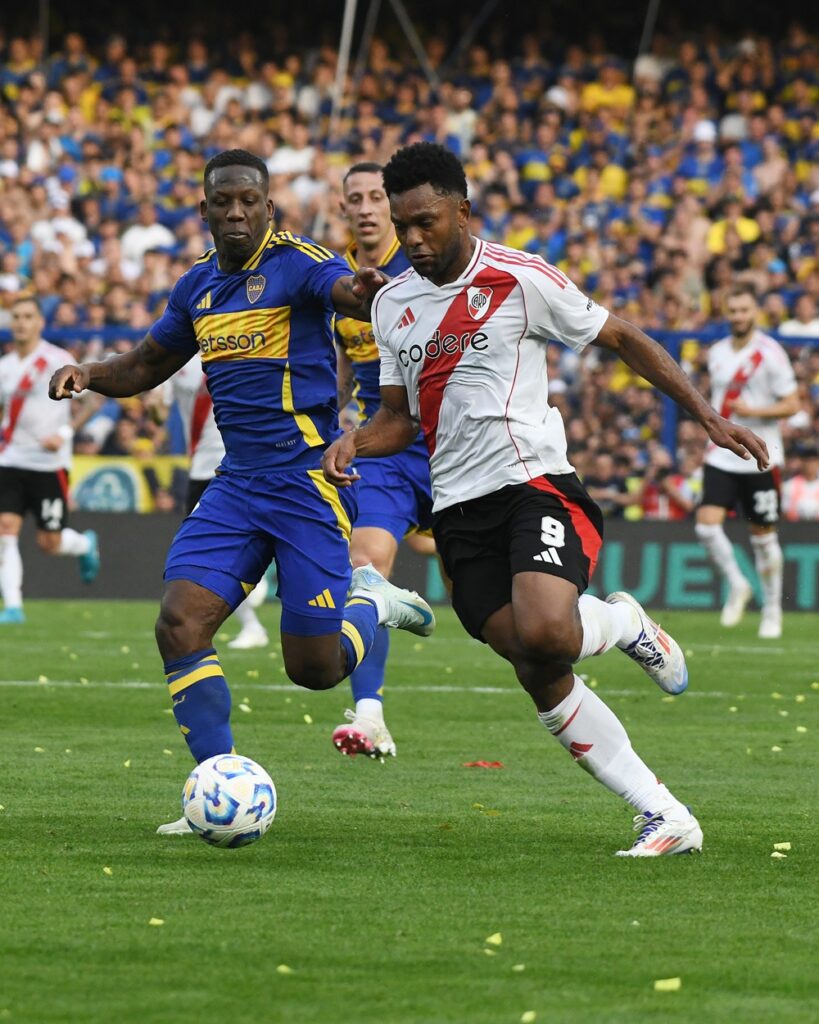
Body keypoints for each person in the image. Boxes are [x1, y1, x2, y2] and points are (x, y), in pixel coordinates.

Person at [322, 142, 768, 857]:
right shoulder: (394, 304)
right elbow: (398, 419)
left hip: (533, 485)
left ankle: (623, 624)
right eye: (403, 226)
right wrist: (353, 442)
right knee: (532, 662)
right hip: (456, 508)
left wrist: (705, 416)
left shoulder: (518, 277)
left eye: (425, 222)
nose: (411, 239)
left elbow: (621, 336)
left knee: (550, 630)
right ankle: (664, 815)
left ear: (461, 211)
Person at [49, 149, 435, 835]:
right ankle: (213, 787)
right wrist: (87, 373)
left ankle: (370, 602)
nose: (235, 212)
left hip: (306, 483)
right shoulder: (197, 288)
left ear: (267, 209)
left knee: (314, 671)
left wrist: (368, 288)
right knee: (179, 623)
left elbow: (343, 290)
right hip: (237, 484)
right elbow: (144, 365)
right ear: (203, 210)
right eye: (222, 202)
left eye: (247, 202)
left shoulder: (299, 263)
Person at [331, 162, 436, 759]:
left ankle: (616, 626)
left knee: (503, 615)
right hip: (387, 444)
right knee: (364, 566)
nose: (367, 208)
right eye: (357, 199)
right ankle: (369, 716)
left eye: (377, 198)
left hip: (455, 443)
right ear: (345, 208)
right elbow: (346, 359)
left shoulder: (424, 259)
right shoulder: (337, 278)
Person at [694, 284, 800, 639]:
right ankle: (738, 584)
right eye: (733, 310)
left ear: (755, 311)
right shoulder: (718, 352)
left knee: (763, 539)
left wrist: (754, 412)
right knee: (706, 526)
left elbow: (792, 403)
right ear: (726, 313)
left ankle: (772, 610)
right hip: (723, 453)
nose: (738, 316)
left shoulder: (771, 353)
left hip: (762, 455)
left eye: (744, 310)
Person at [0, 294, 99, 624]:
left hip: (49, 465)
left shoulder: (57, 360)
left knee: (49, 542)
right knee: (5, 529)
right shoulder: (5, 367)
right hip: (11, 460)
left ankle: (84, 544)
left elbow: (91, 401)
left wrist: (65, 434)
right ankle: (13, 605)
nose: (21, 323)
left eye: (28, 316)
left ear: (40, 322)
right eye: (16, 317)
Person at [163, 353, 270, 649]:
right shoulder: (174, 358)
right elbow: (160, 410)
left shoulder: (236, 348)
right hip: (200, 465)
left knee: (248, 531)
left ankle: (262, 585)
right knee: (209, 547)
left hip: (238, 461)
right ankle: (252, 625)